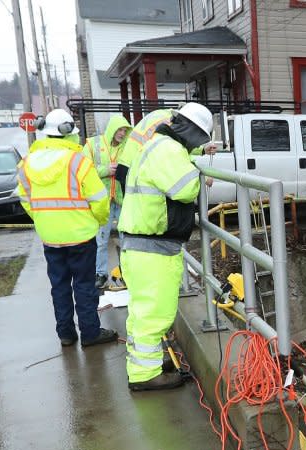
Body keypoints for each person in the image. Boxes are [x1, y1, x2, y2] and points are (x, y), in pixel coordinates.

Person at [118, 102, 213, 391]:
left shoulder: (157, 145)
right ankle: (145, 377)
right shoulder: (168, 151)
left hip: (140, 245)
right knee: (155, 313)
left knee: (141, 312)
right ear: (195, 134)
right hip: (152, 248)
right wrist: (201, 178)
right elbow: (184, 189)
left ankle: (145, 364)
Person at [15, 109, 118, 347]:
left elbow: (25, 199)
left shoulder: (26, 162)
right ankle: (90, 334)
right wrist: (100, 220)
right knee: (83, 285)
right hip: (81, 235)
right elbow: (99, 199)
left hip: (50, 237)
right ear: (69, 133)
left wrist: (43, 219)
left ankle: (66, 334)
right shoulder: (78, 161)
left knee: (59, 286)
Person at [82, 114, 132, 289]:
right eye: (120, 129)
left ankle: (127, 273)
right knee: (101, 240)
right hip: (102, 200)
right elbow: (82, 169)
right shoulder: (92, 144)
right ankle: (100, 274)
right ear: (112, 129)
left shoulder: (128, 145)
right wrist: (105, 170)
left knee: (126, 239)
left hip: (121, 198)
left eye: (125, 130)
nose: (122, 133)